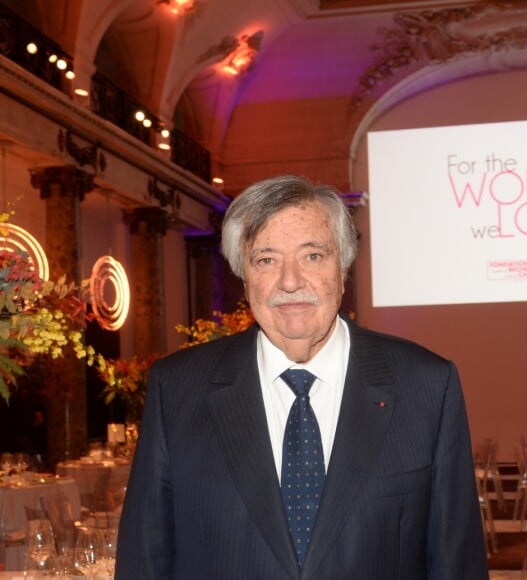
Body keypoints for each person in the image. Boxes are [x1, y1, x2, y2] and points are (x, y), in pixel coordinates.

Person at [115, 175, 488, 579]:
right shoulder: (178, 389)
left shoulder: (427, 386)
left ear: (342, 268)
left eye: (312, 256)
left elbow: (456, 562)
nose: (290, 282)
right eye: (266, 260)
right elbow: (145, 559)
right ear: (244, 277)